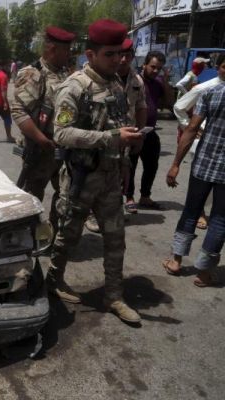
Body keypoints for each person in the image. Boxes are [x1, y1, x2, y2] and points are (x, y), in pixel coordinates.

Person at [50, 19, 144, 323]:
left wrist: (126, 143)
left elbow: (115, 122)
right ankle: (53, 282)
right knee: (68, 237)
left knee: (116, 239)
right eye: (110, 54)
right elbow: (61, 134)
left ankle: (114, 296)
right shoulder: (74, 87)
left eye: (120, 53)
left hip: (111, 177)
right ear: (90, 55)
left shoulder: (116, 82)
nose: (118, 59)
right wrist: (110, 138)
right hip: (82, 178)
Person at [163, 54, 225, 287]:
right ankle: (204, 273)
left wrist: (176, 163)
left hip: (203, 164)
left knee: (191, 210)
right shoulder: (208, 90)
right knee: (220, 219)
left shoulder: (210, 93)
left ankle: (177, 261)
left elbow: (191, 129)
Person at [11, 26, 75, 232]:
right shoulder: (33, 73)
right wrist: (41, 140)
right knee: (32, 197)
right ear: (52, 50)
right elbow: (19, 112)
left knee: (66, 193)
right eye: (66, 50)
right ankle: (29, 237)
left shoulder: (66, 74)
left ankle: (54, 232)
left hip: (63, 146)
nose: (69, 55)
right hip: (40, 149)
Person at [125, 51, 174, 211]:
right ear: (144, 65)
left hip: (150, 132)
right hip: (133, 131)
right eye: (152, 67)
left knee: (151, 166)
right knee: (130, 167)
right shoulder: (135, 81)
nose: (155, 71)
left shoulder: (158, 83)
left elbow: (168, 102)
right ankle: (129, 197)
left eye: (158, 69)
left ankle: (145, 196)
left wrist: (165, 81)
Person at [111, 38, 147, 218]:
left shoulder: (137, 80)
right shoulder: (105, 77)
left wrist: (139, 135)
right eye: (120, 55)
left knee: (121, 175)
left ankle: (114, 212)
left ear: (132, 57)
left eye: (127, 56)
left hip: (126, 139)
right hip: (105, 137)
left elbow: (141, 107)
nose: (123, 60)